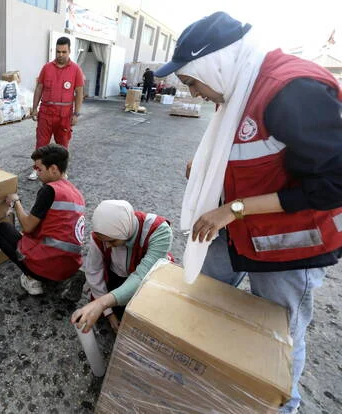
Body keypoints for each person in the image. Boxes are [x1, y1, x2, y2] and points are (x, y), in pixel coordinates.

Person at [155, 11, 342, 414]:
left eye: (192, 82)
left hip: (288, 246)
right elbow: (254, 153)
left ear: (215, 64)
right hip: (236, 232)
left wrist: (233, 208)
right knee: (204, 300)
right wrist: (209, 171)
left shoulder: (291, 90)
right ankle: (210, 379)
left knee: (278, 338)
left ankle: (282, 406)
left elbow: (332, 185)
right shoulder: (239, 85)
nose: (195, 94)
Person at [0, 144, 85, 295]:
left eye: (39, 169)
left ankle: (32, 278)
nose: (37, 173)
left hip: (46, 265)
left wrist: (16, 202)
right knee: (30, 236)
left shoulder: (49, 190)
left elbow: (28, 226)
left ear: (53, 169)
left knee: (2, 230)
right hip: (71, 264)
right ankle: (65, 277)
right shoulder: (76, 193)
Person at [71, 200, 173, 333]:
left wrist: (101, 304)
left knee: (145, 318)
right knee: (116, 314)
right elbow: (94, 271)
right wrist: (109, 313)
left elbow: (142, 276)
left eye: (112, 241)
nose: (107, 246)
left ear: (125, 230)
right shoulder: (101, 236)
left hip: (147, 281)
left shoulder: (158, 231)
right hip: (117, 277)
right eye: (104, 241)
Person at [30, 37, 84, 180]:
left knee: (63, 146)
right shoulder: (47, 68)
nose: (60, 55)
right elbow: (39, 88)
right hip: (46, 113)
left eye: (64, 52)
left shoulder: (75, 70)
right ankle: (37, 170)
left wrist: (76, 114)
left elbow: (79, 92)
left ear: (69, 51)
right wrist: (34, 108)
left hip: (64, 115)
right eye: (58, 51)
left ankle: (61, 172)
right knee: (41, 144)